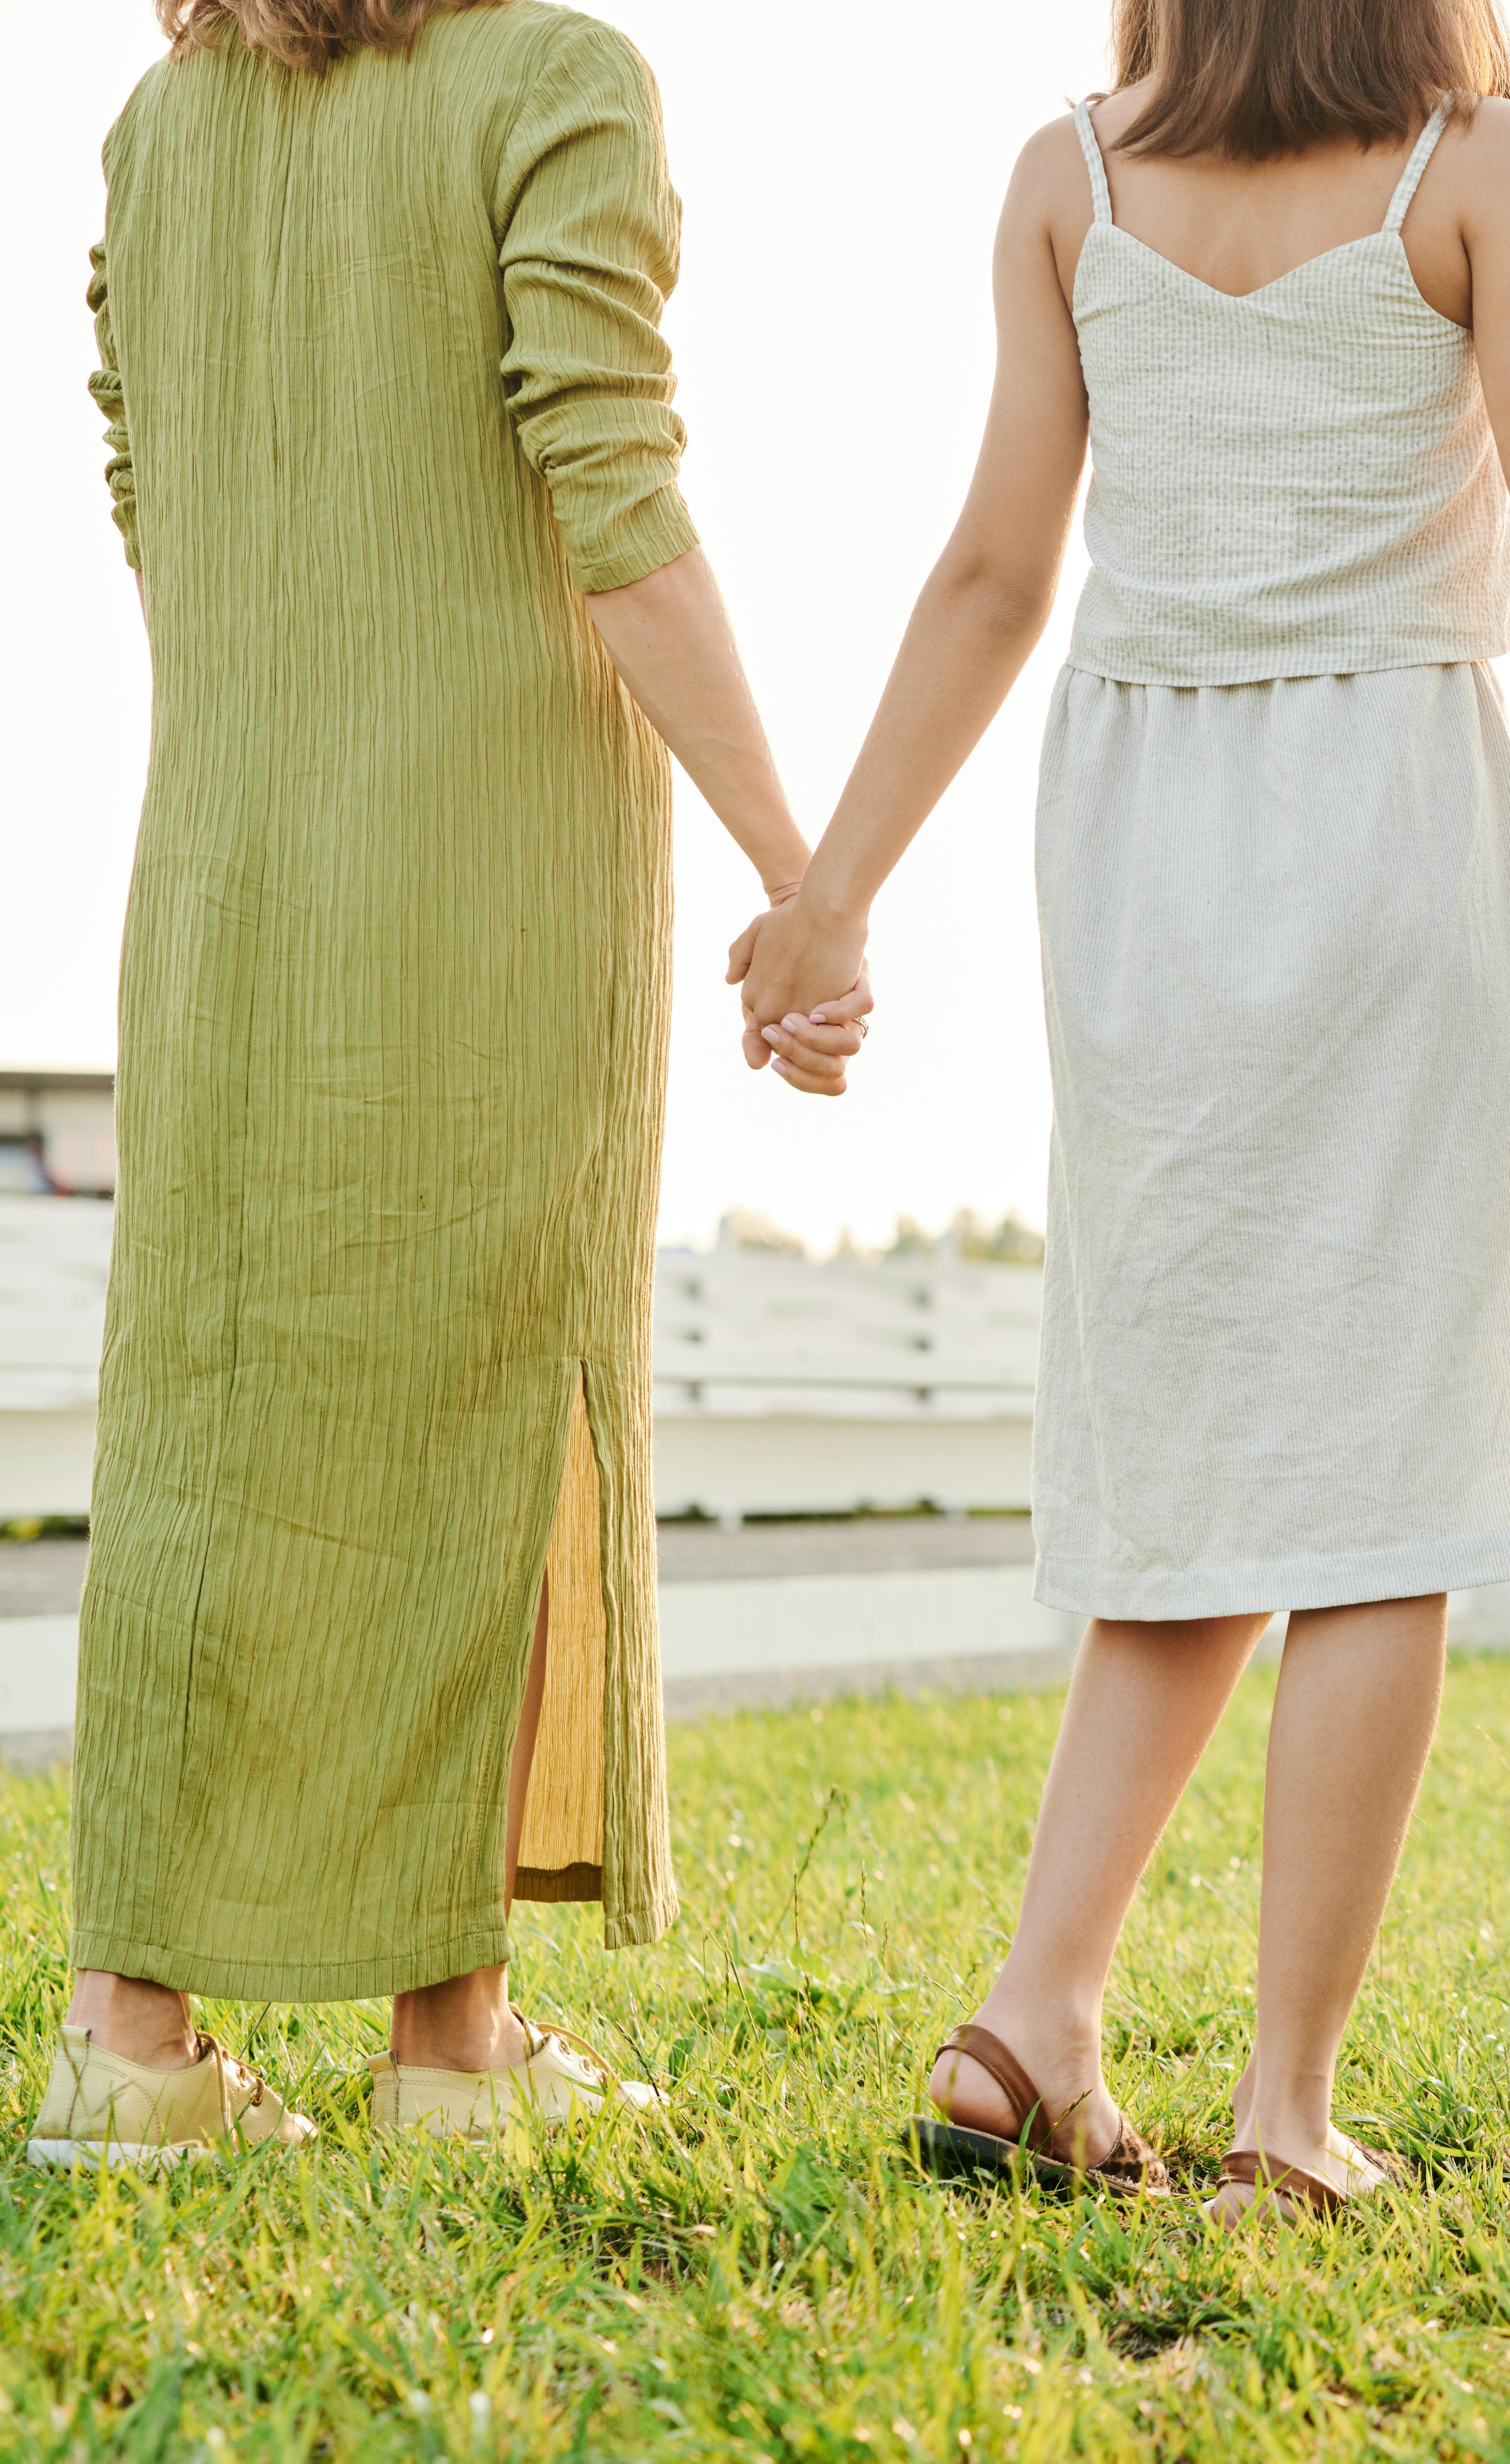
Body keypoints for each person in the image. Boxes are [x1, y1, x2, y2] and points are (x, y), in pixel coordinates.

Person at [727, 0, 1510, 2216]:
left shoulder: (1066, 176)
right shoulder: (1481, 166)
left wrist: (831, 899)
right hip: (1390, 822)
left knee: (1200, 1443)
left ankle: (1033, 2018)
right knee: (1386, 1491)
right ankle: (1285, 2113)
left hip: (1137, 855)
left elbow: (995, 575)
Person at [32, 0, 862, 2168]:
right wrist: (801, 869)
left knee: (206, 1404)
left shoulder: (160, 126)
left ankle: (127, 2035)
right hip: (493, 869)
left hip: (225, 866)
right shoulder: (556, 80)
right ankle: (451, 2040)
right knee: (487, 1393)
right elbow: (618, 499)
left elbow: (149, 497)